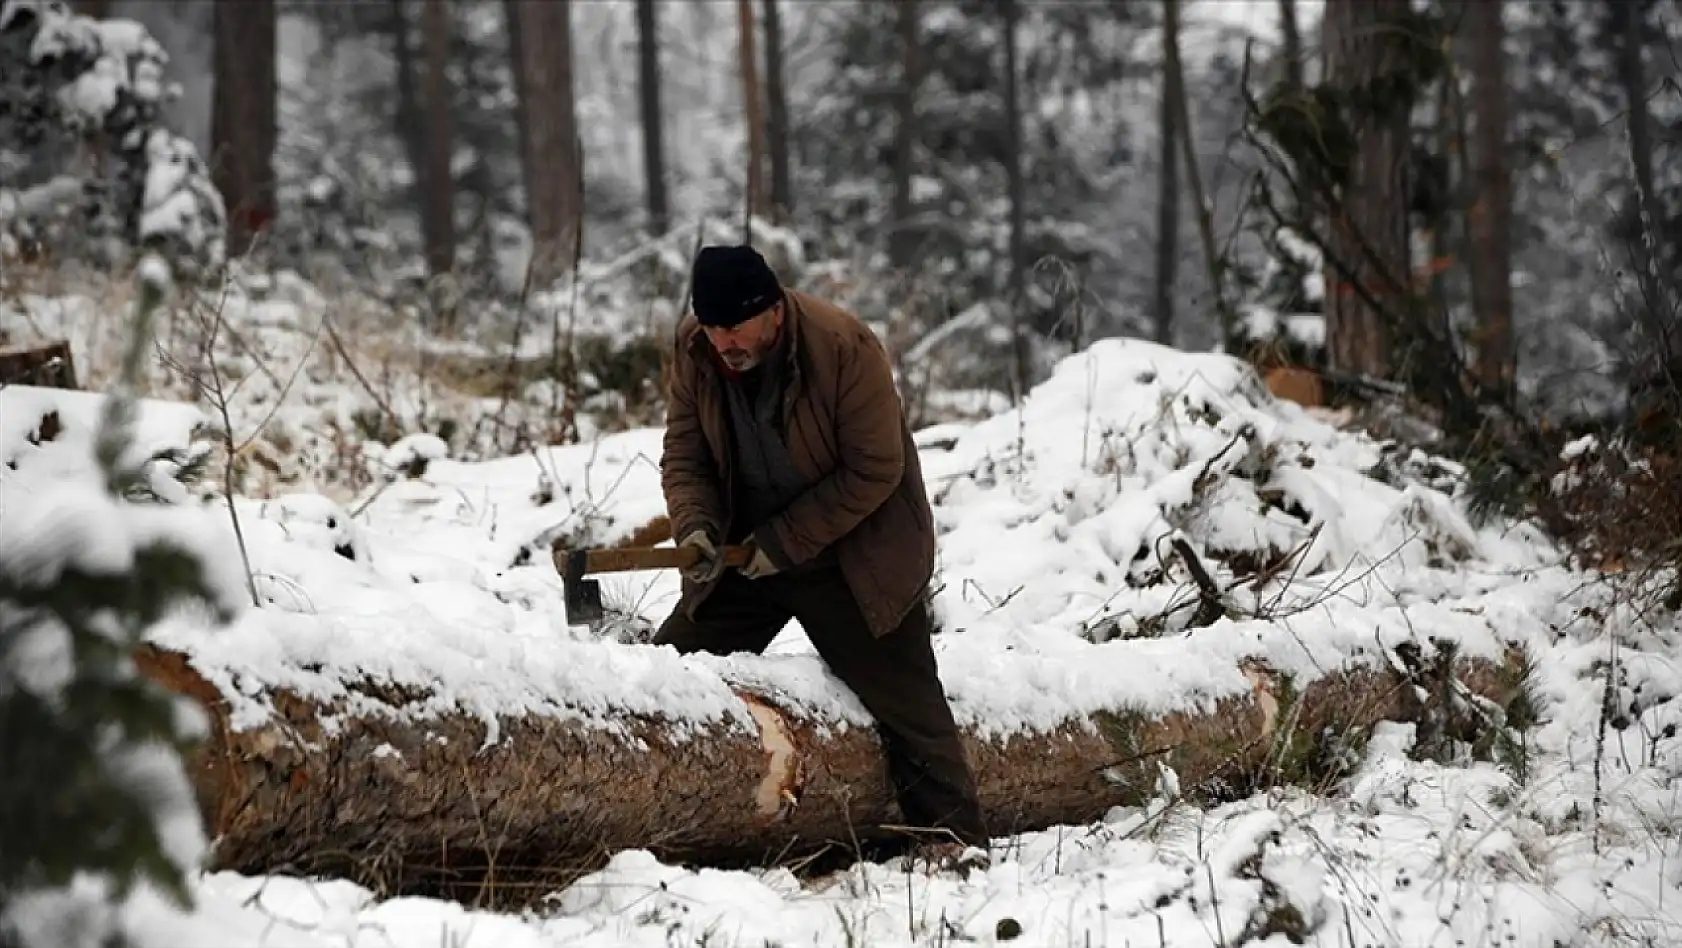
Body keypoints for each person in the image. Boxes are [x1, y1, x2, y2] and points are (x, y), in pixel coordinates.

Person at [653, 243, 989, 869]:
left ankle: (953, 841)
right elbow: (686, 454)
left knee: (907, 704)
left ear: (773, 312)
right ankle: (644, 831)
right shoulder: (697, 347)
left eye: (736, 326)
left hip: (852, 552)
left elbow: (875, 468)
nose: (724, 341)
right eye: (713, 326)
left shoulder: (844, 347)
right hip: (747, 553)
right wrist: (697, 528)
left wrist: (784, 544)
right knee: (668, 677)